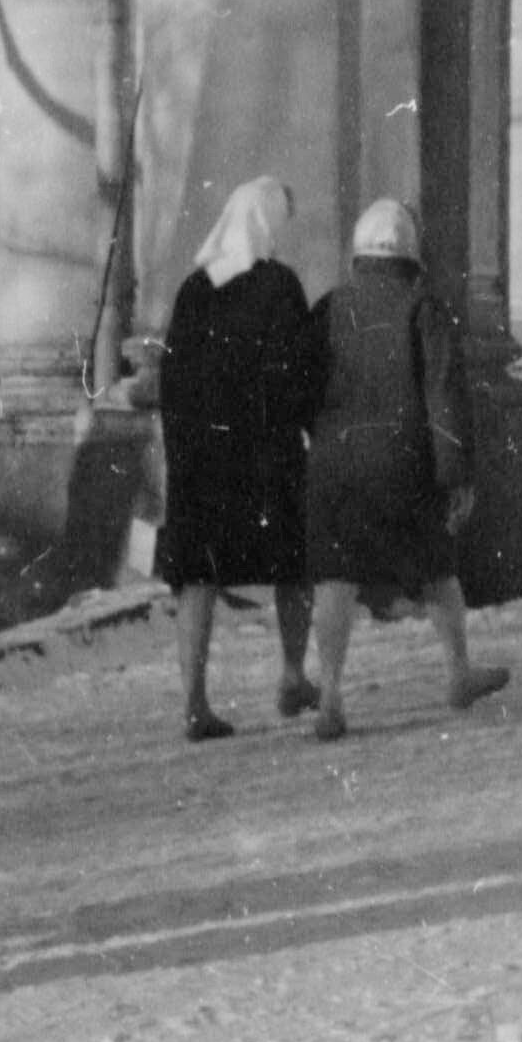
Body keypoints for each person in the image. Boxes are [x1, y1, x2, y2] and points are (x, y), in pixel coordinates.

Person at [303, 196, 510, 739]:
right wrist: (456, 474)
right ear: (411, 256)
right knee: (437, 569)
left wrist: (320, 439)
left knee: (335, 577)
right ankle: (459, 673)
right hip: (406, 463)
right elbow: (444, 396)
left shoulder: (328, 307)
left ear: (358, 253)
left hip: (337, 463)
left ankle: (330, 694)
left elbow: (302, 386)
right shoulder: (424, 308)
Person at [156, 176, 317, 742]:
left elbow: (171, 378)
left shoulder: (193, 289)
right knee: (294, 565)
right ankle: (293, 674)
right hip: (267, 458)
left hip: (201, 460)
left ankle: (194, 701)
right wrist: (304, 432)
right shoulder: (279, 285)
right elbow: (299, 372)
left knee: (197, 575)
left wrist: (179, 451)